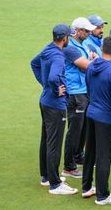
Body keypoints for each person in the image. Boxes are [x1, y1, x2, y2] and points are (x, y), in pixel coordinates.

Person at [30, 23, 78, 195]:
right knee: (54, 144)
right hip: (55, 105)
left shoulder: (47, 49)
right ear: (64, 38)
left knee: (46, 140)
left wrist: (45, 85)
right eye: (69, 38)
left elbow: (34, 64)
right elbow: (52, 77)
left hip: (45, 102)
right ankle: (55, 184)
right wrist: (55, 88)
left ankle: (47, 177)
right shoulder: (58, 56)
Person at [82, 36, 111, 205]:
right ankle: (102, 195)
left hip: (91, 112)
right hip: (105, 117)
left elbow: (89, 87)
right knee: (104, 155)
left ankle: (86, 187)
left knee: (90, 152)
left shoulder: (91, 67)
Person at [61, 17, 97, 178]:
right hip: (75, 93)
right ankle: (68, 166)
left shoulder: (82, 45)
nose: (89, 33)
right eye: (86, 31)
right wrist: (93, 61)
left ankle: (78, 156)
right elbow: (86, 66)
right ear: (78, 31)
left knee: (83, 128)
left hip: (83, 90)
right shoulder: (70, 48)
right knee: (75, 130)